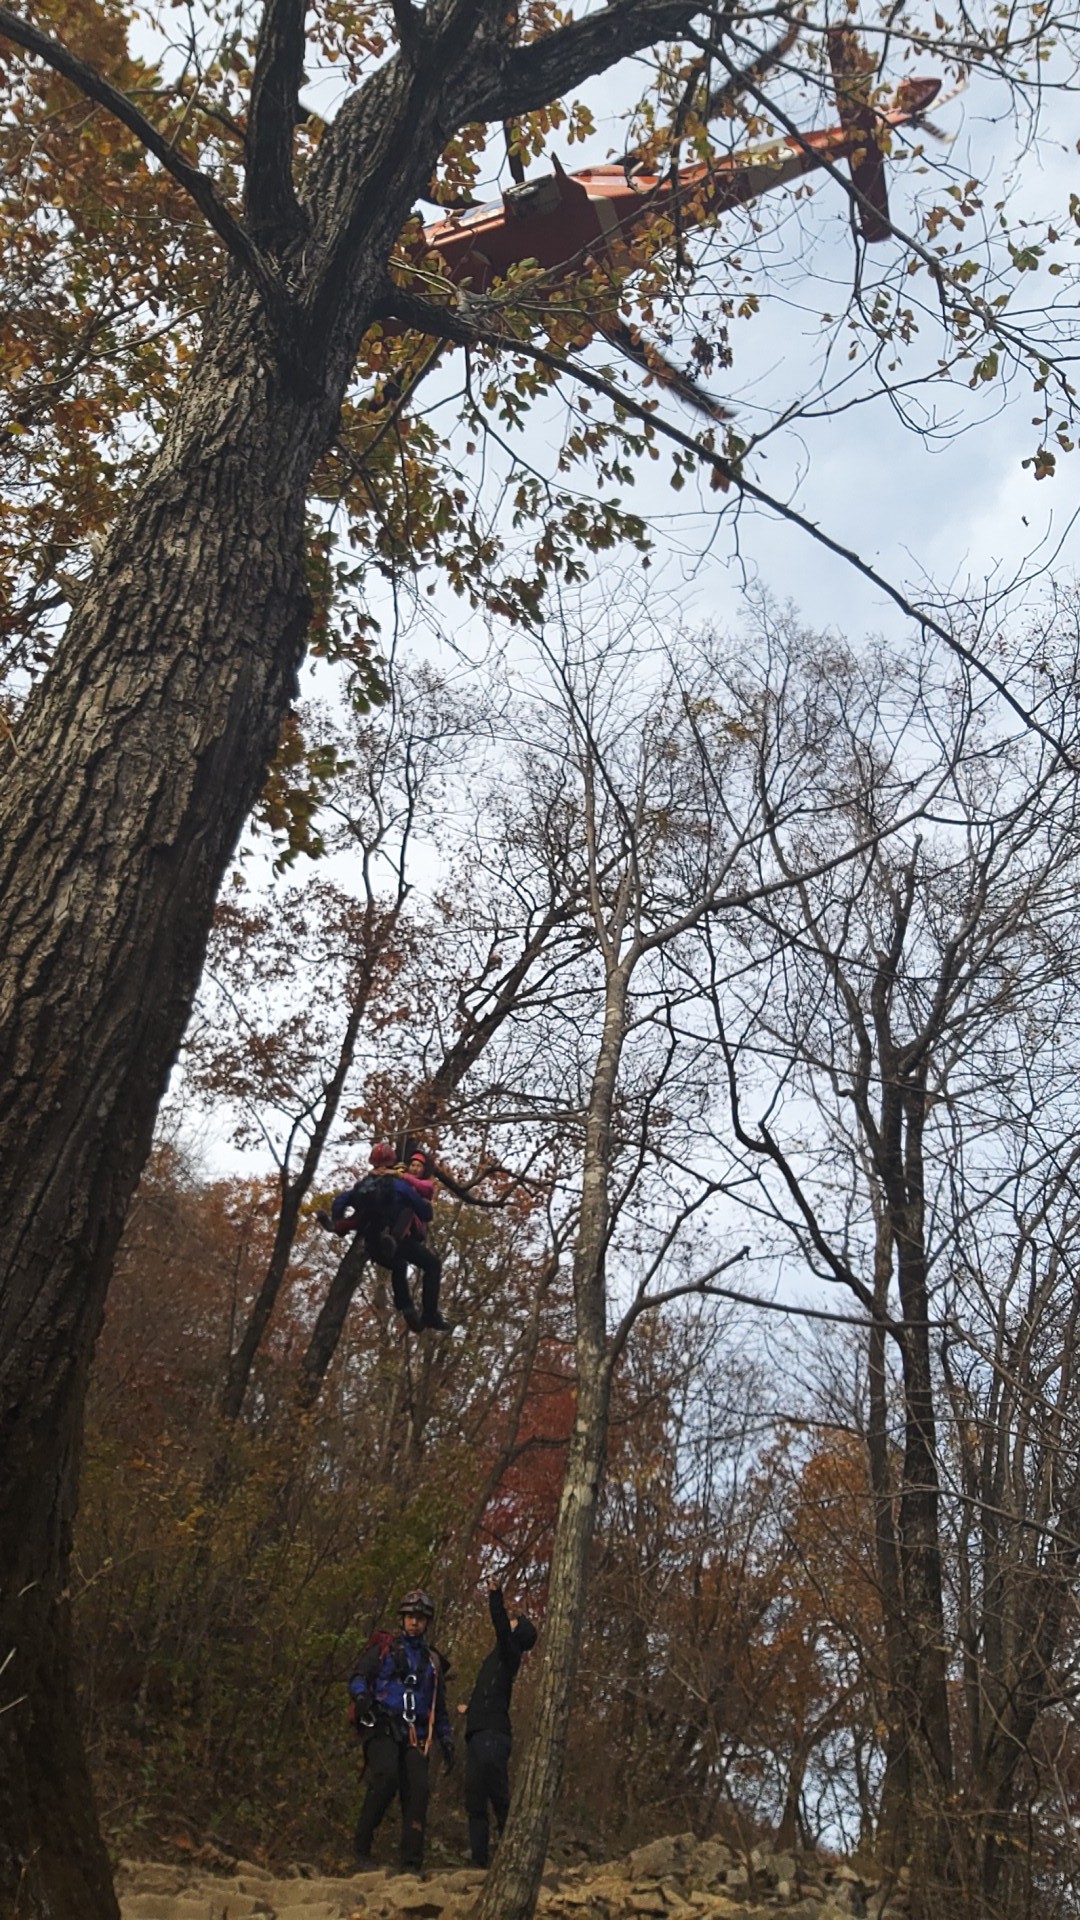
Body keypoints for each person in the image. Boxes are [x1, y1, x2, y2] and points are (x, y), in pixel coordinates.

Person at [349, 1588, 454, 1873]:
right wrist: (361, 1697)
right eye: (409, 1617)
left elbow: (438, 1707)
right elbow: (358, 1677)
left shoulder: (432, 1663)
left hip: (416, 1733)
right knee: (386, 1777)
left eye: (419, 1618)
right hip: (382, 1723)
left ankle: (411, 1865)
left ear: (427, 1622)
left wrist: (446, 1739)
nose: (414, 1622)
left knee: (418, 1791)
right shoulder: (384, 1649)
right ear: (402, 1618)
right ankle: (361, 1850)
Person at [317, 1141, 449, 1333]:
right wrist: (422, 1205)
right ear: (392, 1162)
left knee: (399, 1265)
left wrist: (337, 1217)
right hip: (398, 1240)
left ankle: (406, 1307)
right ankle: (430, 1314)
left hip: (372, 1244)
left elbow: (340, 1201)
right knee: (432, 1265)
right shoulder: (398, 1185)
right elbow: (426, 1213)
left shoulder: (364, 1185)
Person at [462, 1579, 537, 1868]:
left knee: (498, 1796)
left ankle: (511, 1858)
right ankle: (479, 1861)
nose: (511, 1622)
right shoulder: (497, 1659)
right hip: (478, 1731)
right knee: (475, 1799)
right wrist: (470, 1709)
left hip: (493, 1734)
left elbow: (501, 1627)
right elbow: (489, 1691)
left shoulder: (510, 1652)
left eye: (515, 1622)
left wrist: (495, 1596)